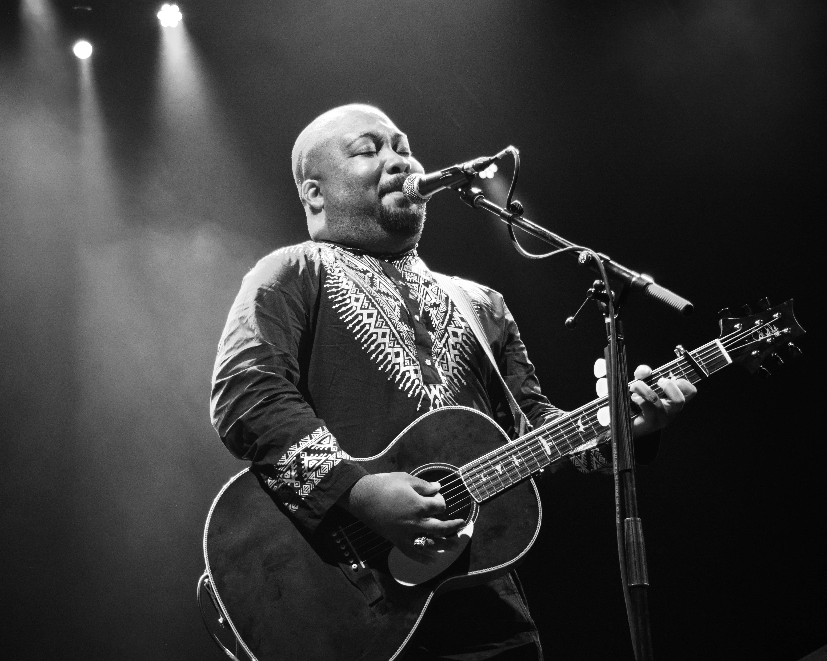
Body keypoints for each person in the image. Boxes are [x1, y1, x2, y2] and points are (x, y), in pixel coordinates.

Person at [210, 104, 696, 660]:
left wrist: (624, 427)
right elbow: (246, 397)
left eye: (402, 146)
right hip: (350, 607)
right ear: (314, 194)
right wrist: (358, 491)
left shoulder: (482, 303)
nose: (397, 160)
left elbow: (539, 434)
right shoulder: (290, 272)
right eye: (368, 151)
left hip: (487, 608)